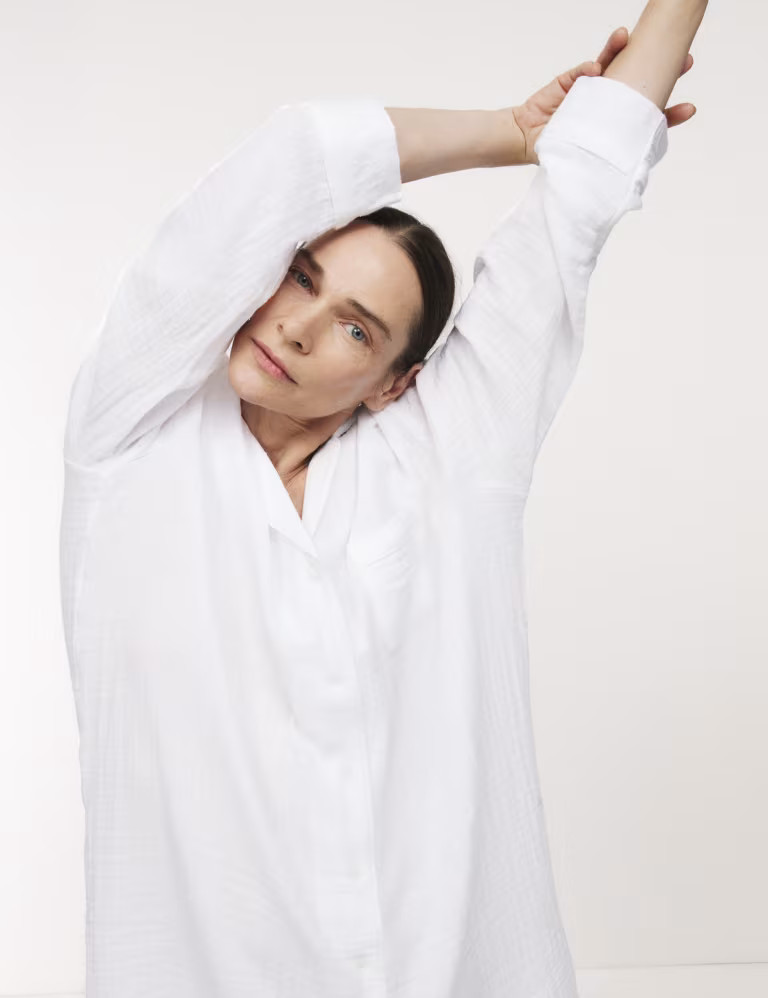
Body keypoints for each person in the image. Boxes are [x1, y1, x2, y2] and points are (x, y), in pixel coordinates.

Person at [59, 1, 708, 994]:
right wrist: (510, 131)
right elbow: (291, 157)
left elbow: (580, 199)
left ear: (395, 383)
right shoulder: (130, 441)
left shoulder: (447, 462)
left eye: (357, 328)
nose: (298, 325)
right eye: (299, 277)